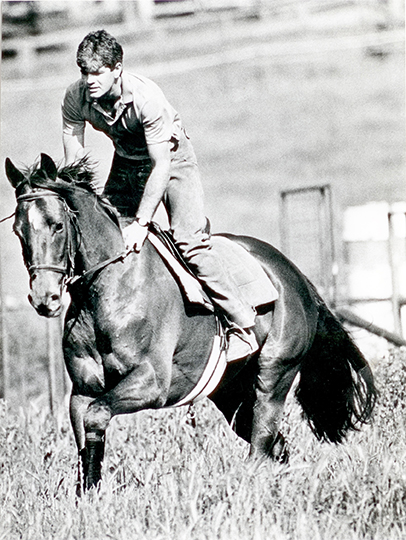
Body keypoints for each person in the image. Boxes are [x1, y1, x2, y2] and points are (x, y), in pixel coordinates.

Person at [62, 29, 258, 360]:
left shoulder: (147, 99)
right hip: (126, 162)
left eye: (97, 72)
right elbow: (74, 164)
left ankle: (242, 324)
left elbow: (160, 166)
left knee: (190, 244)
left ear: (117, 69)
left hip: (172, 161)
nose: (89, 80)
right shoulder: (75, 96)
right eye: (84, 72)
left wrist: (140, 222)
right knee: (101, 239)